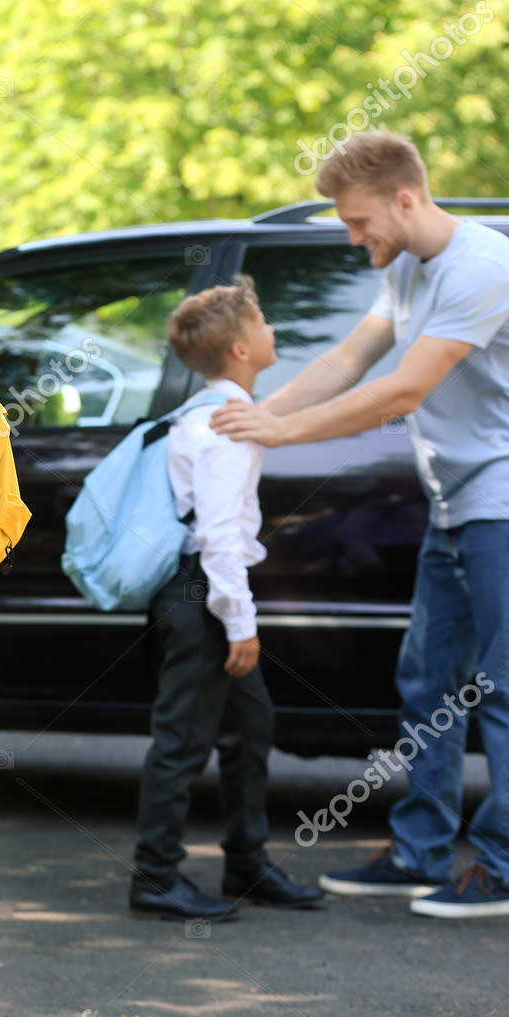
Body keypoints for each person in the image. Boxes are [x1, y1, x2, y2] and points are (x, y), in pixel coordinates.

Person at [210, 130, 509, 918]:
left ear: (405, 200)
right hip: (457, 502)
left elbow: (403, 389)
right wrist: (252, 413)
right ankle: (420, 850)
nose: (352, 236)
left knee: (508, 687)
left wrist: (282, 436)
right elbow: (350, 359)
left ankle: (504, 871)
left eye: (357, 220)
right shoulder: (407, 266)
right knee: (427, 681)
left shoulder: (486, 266)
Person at [129, 277, 325, 922]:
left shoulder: (207, 413)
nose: (272, 329)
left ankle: (247, 863)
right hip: (202, 598)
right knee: (182, 738)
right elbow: (217, 537)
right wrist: (240, 625)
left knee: (249, 727)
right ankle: (155, 877)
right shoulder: (226, 425)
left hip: (199, 592)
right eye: (263, 320)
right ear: (241, 349)